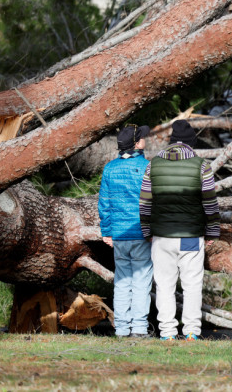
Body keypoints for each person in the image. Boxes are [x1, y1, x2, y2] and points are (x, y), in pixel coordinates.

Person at [139, 119, 220, 342]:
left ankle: (167, 332)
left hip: (162, 236)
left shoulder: (153, 165)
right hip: (191, 235)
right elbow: (210, 203)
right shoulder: (201, 166)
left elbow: (145, 202)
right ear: (191, 144)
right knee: (192, 284)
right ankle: (192, 331)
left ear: (172, 142)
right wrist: (212, 230)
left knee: (164, 285)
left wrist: (147, 230)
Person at [98, 124, 153, 338]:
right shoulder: (148, 167)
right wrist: (152, 230)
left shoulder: (110, 168)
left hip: (119, 235)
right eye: (143, 138)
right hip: (141, 234)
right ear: (136, 144)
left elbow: (104, 203)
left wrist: (107, 231)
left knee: (122, 282)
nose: (145, 140)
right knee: (141, 282)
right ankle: (139, 328)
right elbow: (151, 203)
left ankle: (121, 328)